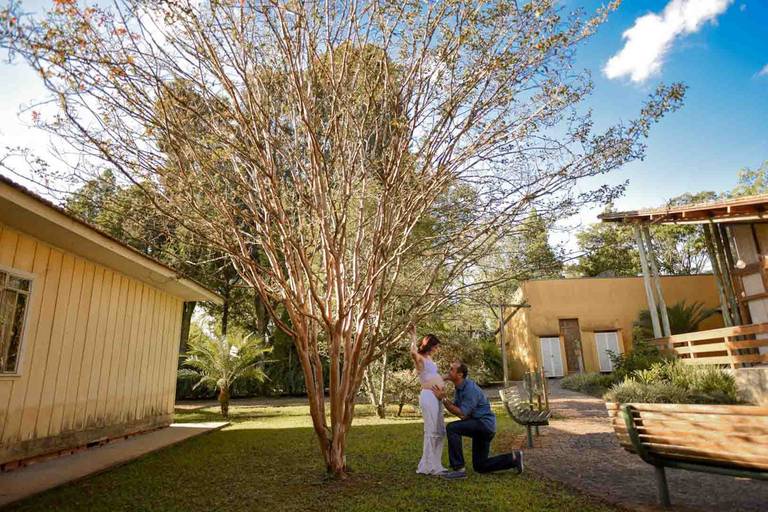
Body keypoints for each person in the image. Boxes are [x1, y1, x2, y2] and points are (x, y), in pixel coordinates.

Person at [432, 361, 523, 479]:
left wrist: (443, 398)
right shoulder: (460, 388)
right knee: (480, 466)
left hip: (483, 425)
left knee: (452, 428)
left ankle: (459, 470)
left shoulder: (470, 389)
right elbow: (460, 414)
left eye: (451, 369)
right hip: (481, 426)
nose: (448, 371)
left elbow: (462, 414)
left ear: (460, 375)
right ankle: (514, 458)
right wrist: (442, 384)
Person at [410, 328, 449, 475]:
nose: (437, 349)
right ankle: (427, 466)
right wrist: (413, 336)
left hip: (436, 397)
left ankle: (436, 464)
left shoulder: (430, 360)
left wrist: (448, 377)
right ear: (430, 345)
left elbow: (433, 376)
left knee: (439, 430)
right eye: (436, 346)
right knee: (431, 430)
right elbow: (413, 352)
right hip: (428, 396)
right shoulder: (420, 358)